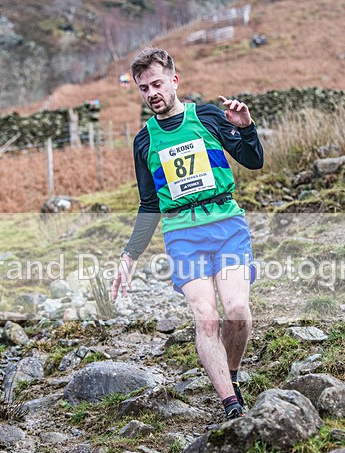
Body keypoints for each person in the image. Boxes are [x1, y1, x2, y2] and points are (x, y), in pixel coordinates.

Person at [111, 48, 264, 421]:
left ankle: (230, 373)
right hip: (181, 232)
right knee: (205, 316)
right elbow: (149, 205)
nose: (151, 93)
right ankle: (230, 405)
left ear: (174, 81)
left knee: (238, 310)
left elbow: (253, 160)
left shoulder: (208, 116)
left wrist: (245, 128)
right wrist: (128, 256)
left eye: (157, 83)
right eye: (144, 88)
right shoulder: (144, 142)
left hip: (226, 223)